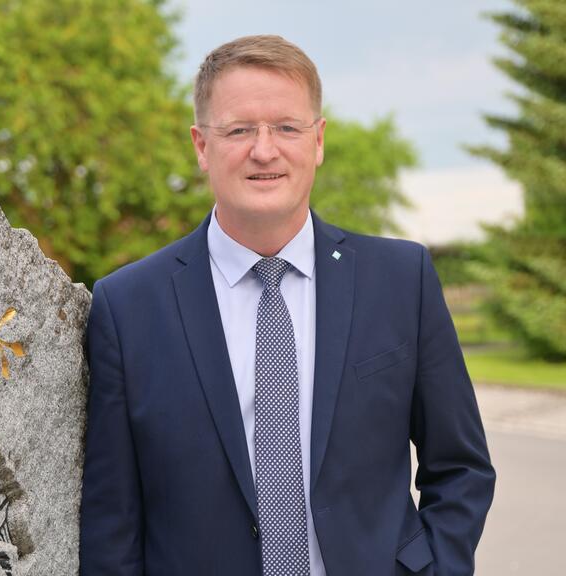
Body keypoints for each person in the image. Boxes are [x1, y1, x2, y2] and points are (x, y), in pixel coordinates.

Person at [79, 35, 495, 576]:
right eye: (239, 129)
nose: (264, 149)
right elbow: (113, 522)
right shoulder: (127, 306)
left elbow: (460, 468)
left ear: (318, 140)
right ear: (201, 146)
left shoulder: (401, 281)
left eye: (286, 127)